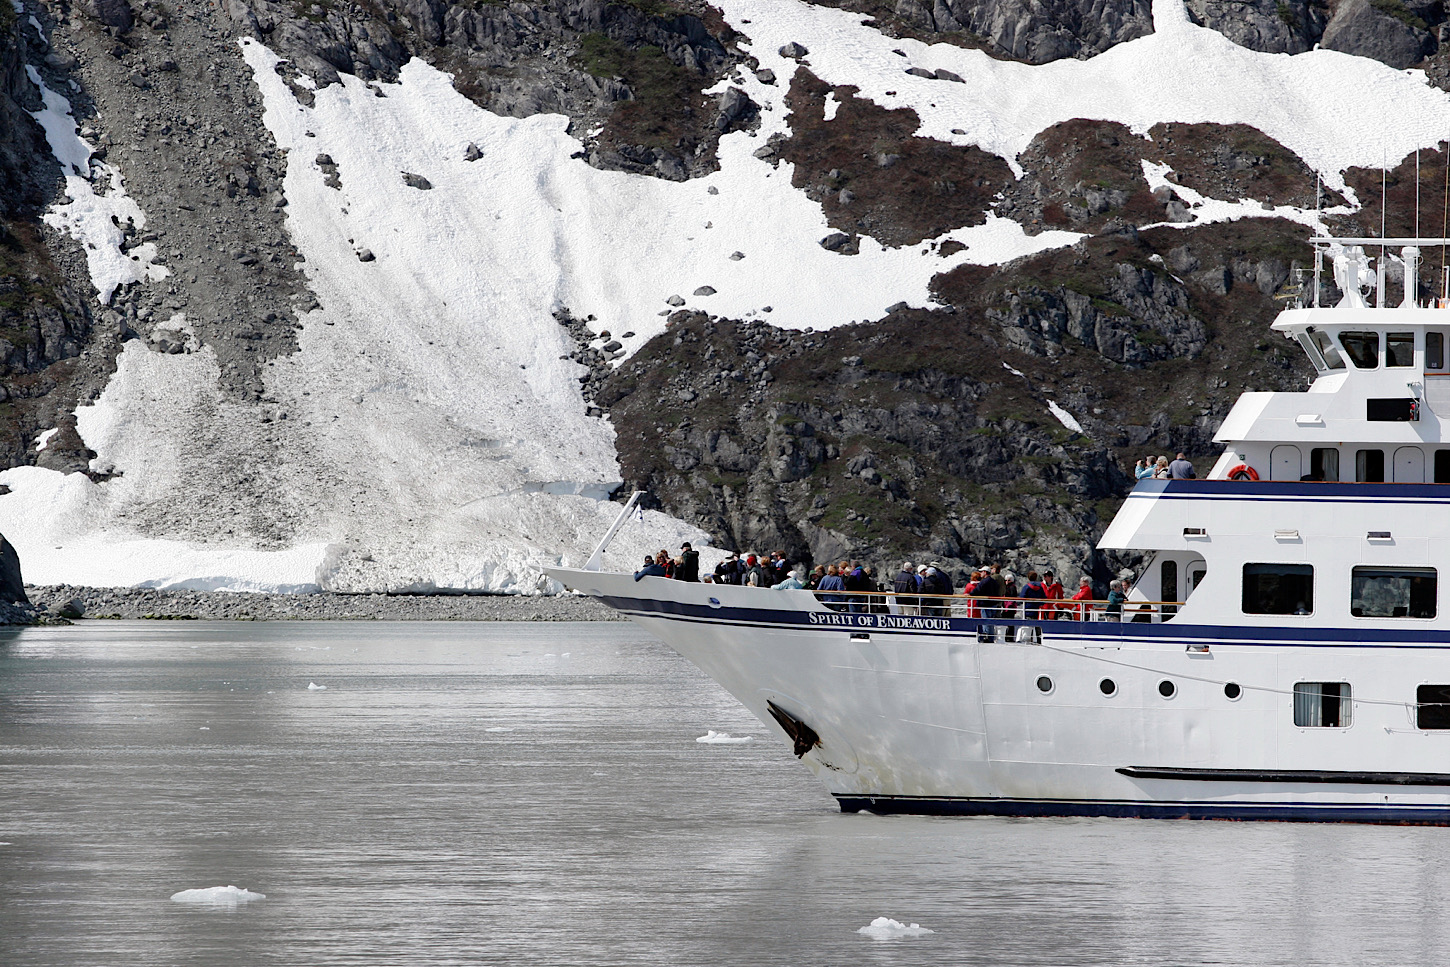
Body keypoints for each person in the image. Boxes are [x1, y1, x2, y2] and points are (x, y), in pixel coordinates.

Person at [1020, 570, 1047, 642]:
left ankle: (1028, 639)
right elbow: (1044, 598)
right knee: (1037, 624)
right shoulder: (1040, 587)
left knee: (1028, 625)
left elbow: (1021, 597)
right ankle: (1039, 639)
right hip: (1037, 609)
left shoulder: (1026, 587)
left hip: (1028, 608)